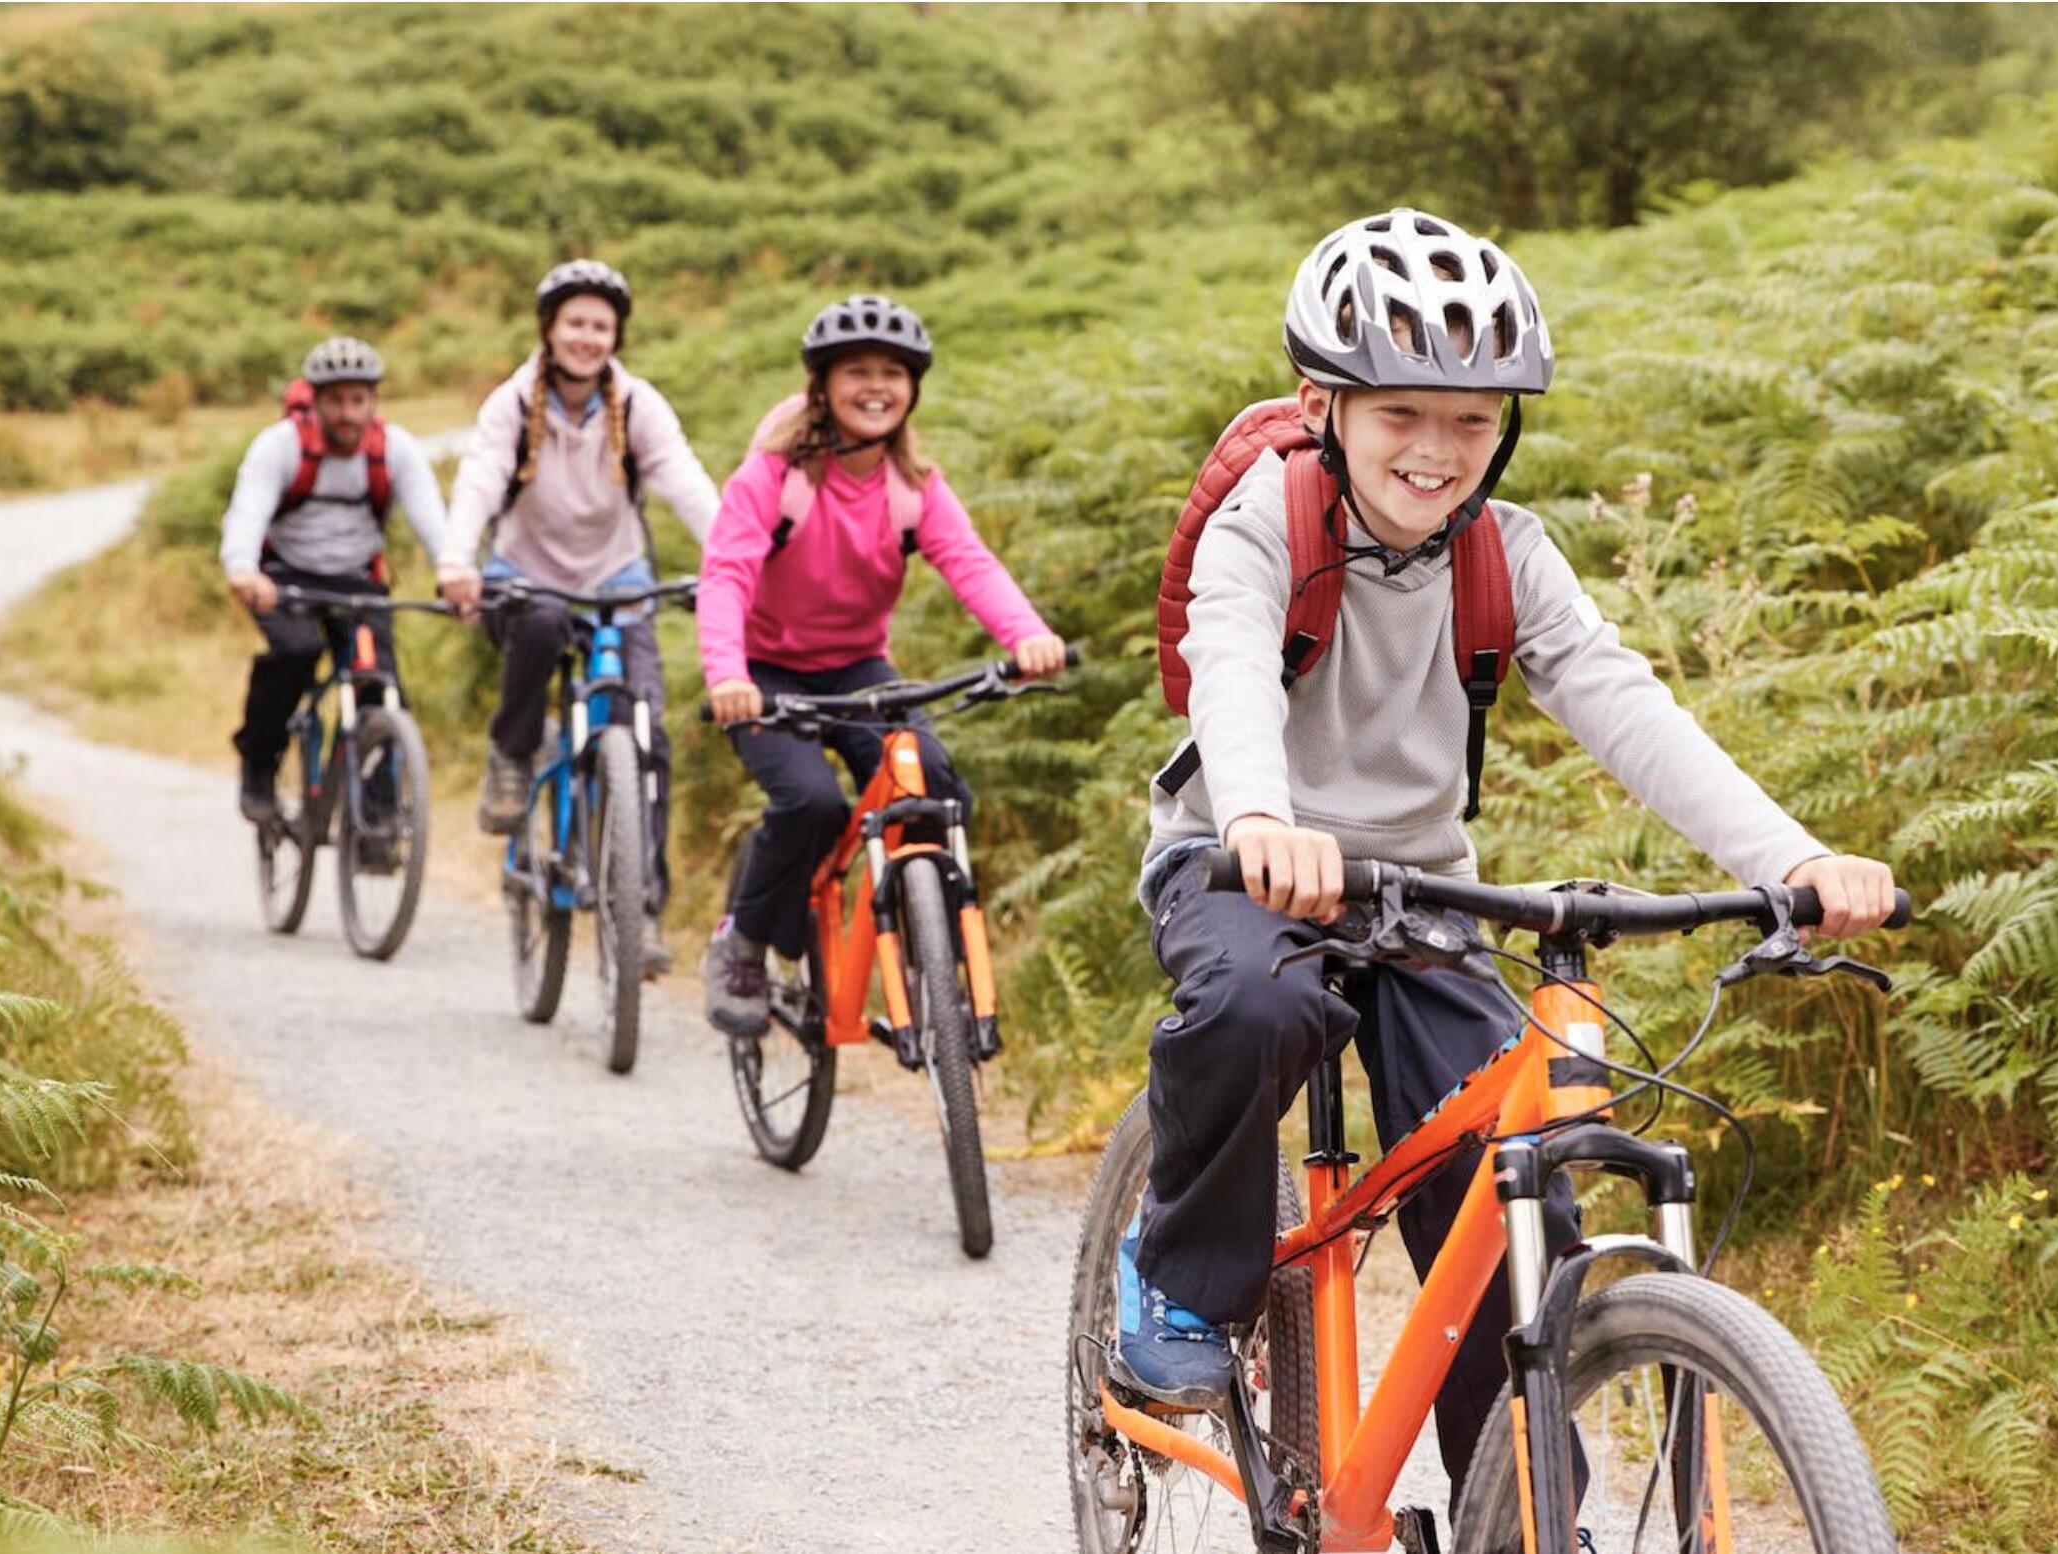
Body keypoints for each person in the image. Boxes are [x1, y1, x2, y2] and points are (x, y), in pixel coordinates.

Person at [1121, 209, 1899, 1497]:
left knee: (1508, 1176)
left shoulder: (1504, 553)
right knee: (1256, 1004)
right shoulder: (1264, 520)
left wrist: (1796, 857)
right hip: (1237, 862)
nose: (1438, 452)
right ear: (1326, 404)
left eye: (1473, 420)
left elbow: (1628, 707)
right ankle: (1182, 1283)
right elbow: (1230, 665)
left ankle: (1528, 1511)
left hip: (1419, 891)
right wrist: (1260, 817)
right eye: (1402, 415)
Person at [697, 294, 1066, 1036]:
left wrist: (1028, 636)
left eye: (893, 373)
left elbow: (970, 563)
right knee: (811, 804)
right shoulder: (773, 477)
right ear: (822, 387)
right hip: (765, 673)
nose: (876, 387)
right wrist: (728, 676)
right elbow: (726, 574)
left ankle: (939, 959)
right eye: (857, 371)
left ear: (913, 388)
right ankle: (741, 942)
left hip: (859, 667)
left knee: (933, 782)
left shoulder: (913, 486)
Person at [443, 260, 719, 977]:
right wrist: (456, 560)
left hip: (617, 576)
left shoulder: (638, 404)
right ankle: (512, 753)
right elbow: (478, 478)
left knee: (646, 732)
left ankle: (642, 913)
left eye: (601, 326)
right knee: (536, 626)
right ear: (549, 329)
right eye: (576, 323)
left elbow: (683, 479)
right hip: (525, 573)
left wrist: (731, 558)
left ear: (616, 335)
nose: (588, 337)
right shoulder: (512, 402)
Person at [219, 336, 467, 826]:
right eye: (335, 400)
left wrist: (456, 572)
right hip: (286, 581)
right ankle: (260, 763)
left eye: (357, 400)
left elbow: (435, 526)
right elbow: (247, 513)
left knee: (382, 686)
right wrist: (243, 572)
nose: (347, 413)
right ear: (314, 401)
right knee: (295, 654)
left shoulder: (396, 450)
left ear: (374, 401)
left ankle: (377, 818)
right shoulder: (280, 446)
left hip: (358, 584)